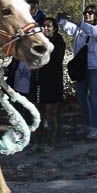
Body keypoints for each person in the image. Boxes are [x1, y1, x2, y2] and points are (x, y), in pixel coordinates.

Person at [32, 15, 68, 148]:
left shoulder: (59, 42)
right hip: (38, 82)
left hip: (53, 82)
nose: (46, 28)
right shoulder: (37, 40)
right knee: (37, 112)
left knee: (51, 112)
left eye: (49, 26)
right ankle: (37, 141)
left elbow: (56, 59)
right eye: (44, 25)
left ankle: (51, 141)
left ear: (55, 28)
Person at [73, 4, 97, 139]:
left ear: (96, 15)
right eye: (85, 12)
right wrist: (63, 20)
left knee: (94, 96)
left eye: (91, 13)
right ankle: (87, 124)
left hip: (95, 68)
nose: (87, 15)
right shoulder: (80, 29)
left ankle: (95, 127)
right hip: (82, 68)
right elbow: (70, 29)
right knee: (81, 96)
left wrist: (79, 23)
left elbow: (94, 32)